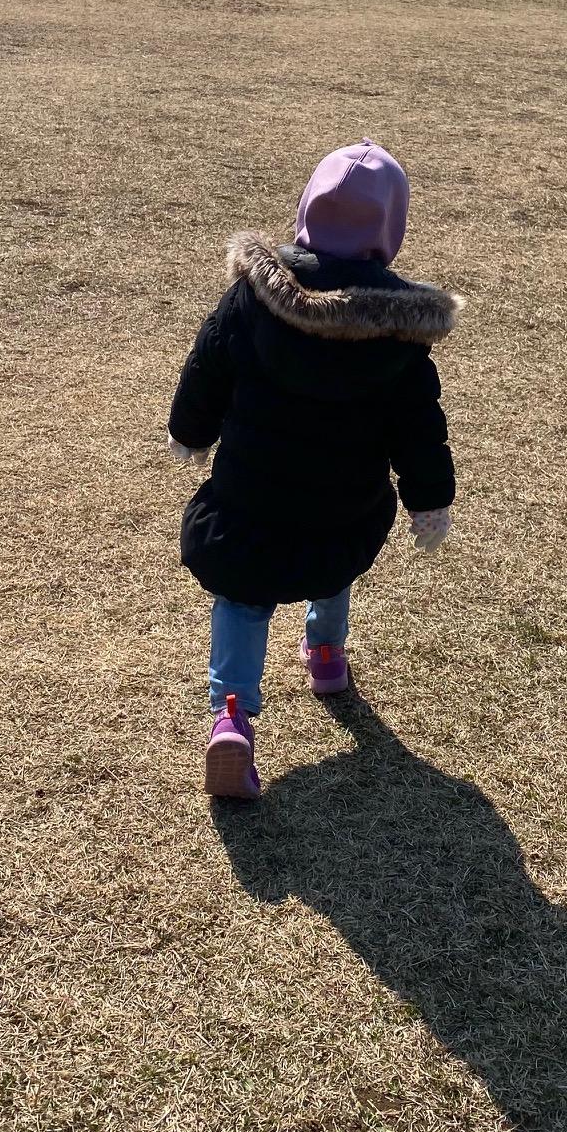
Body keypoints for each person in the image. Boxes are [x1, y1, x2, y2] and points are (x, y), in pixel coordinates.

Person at [166, 138, 461, 800]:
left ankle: (232, 715)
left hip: (249, 497)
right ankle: (326, 655)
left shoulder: (252, 298)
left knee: (243, 595)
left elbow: (207, 366)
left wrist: (190, 433)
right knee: (334, 561)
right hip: (343, 501)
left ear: (305, 211)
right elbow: (418, 425)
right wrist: (429, 499)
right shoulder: (400, 333)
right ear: (389, 230)